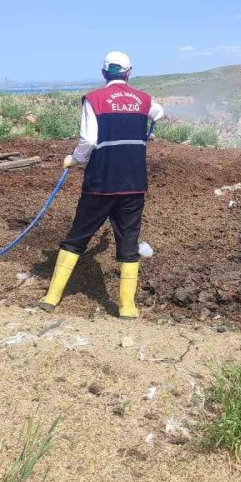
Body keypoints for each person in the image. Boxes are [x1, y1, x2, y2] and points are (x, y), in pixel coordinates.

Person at [39, 51, 164, 317]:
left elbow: (89, 140)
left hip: (100, 183)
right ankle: (127, 308)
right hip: (133, 184)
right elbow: (159, 112)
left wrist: (74, 159)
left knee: (78, 236)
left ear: (104, 73)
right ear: (129, 73)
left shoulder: (94, 99)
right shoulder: (143, 99)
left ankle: (51, 297)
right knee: (129, 242)